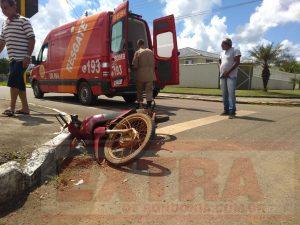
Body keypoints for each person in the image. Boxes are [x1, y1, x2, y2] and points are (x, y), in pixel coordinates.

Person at [0, 0, 35, 117]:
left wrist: (28, 56)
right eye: (1, 8)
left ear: (14, 6)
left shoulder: (24, 21)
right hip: (12, 59)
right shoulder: (4, 23)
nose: (3, 11)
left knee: (14, 80)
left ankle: (12, 107)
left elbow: (31, 39)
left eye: (6, 8)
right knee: (19, 83)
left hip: (22, 59)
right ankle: (25, 108)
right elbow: (2, 41)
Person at [219, 38, 241, 119]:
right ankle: (226, 110)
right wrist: (222, 71)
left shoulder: (235, 50)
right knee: (224, 93)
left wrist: (228, 72)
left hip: (231, 76)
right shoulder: (222, 53)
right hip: (222, 76)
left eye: (222, 44)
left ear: (228, 44)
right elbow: (221, 62)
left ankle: (232, 111)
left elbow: (237, 62)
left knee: (231, 93)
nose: (221, 45)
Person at [132, 39, 155, 109]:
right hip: (150, 74)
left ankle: (140, 104)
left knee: (140, 91)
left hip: (141, 75)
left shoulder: (138, 52)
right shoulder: (151, 52)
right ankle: (148, 105)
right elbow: (153, 63)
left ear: (138, 44)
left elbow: (135, 65)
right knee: (149, 90)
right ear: (144, 44)